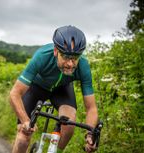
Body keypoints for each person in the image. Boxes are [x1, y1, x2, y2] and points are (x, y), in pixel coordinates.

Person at [9, 25, 98, 153]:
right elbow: (14, 94)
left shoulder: (83, 66)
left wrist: (90, 134)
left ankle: (54, 150)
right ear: (56, 51)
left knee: (69, 124)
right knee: (23, 136)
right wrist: (25, 121)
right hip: (36, 88)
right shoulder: (42, 56)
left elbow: (91, 108)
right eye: (67, 57)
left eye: (75, 57)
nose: (71, 64)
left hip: (62, 89)